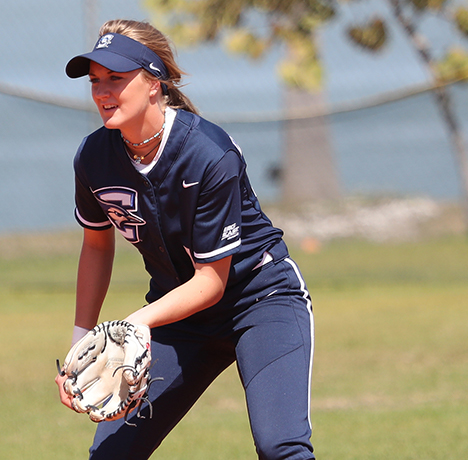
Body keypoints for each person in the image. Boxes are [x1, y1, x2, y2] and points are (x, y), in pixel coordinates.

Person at [55, 19, 315, 460]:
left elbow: (212, 282)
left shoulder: (208, 153)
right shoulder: (95, 157)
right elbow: (97, 245)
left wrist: (133, 323)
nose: (102, 92)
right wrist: (81, 342)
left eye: (116, 79)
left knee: (280, 448)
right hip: (179, 314)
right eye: (95, 81)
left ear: (154, 83)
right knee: (111, 456)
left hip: (261, 299)